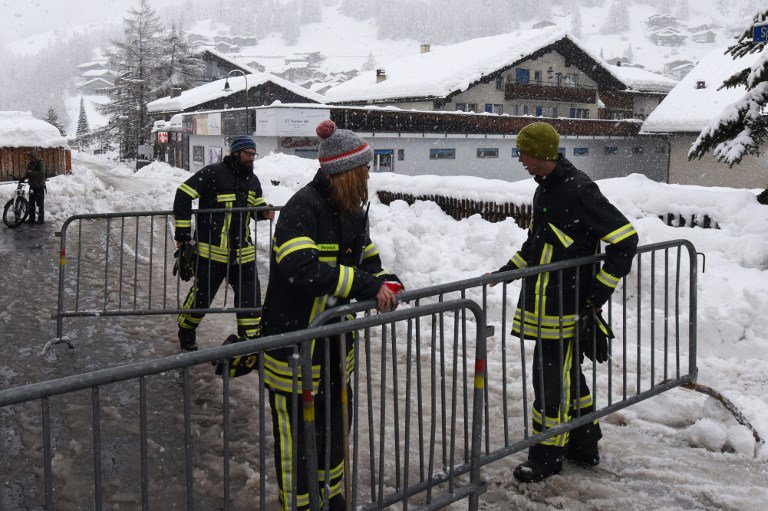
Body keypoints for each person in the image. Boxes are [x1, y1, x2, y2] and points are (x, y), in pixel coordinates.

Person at [260, 120, 401, 510]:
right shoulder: (302, 209)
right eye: (364, 170)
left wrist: (385, 279)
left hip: (335, 349)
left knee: (335, 431)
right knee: (298, 444)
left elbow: (366, 257)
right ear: (344, 173)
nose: (368, 177)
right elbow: (301, 269)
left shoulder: (353, 210)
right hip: (296, 347)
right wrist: (364, 285)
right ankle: (301, 504)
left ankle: (333, 496)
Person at [494, 122, 638, 483]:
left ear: (540, 153)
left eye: (523, 153)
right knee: (566, 375)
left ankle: (547, 455)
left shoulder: (578, 189)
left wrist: (596, 297)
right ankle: (584, 443)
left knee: (550, 381)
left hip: (566, 306)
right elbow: (538, 244)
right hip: (547, 303)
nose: (520, 160)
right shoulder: (547, 189)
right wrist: (506, 270)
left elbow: (625, 240)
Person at [173, 135, 275, 352]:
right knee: (201, 301)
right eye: (247, 154)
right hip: (211, 255)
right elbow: (183, 194)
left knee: (250, 303)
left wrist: (263, 212)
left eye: (253, 154)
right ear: (236, 153)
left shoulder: (252, 180)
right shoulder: (212, 173)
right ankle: (186, 330)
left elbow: (254, 210)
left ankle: (249, 344)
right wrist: (182, 235)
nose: (251, 158)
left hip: (243, 256)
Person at [25, 149, 46, 224]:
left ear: (33, 155)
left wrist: (32, 172)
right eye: (28, 156)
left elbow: (41, 173)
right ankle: (31, 219)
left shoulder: (40, 162)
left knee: (40, 204)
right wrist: (23, 177)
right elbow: (27, 173)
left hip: (40, 186)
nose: (29, 158)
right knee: (31, 203)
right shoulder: (30, 164)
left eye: (30, 156)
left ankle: (41, 219)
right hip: (32, 186)